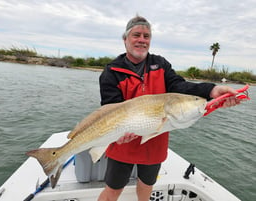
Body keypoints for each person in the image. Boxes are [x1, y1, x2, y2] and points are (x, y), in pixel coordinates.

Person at [98, 15, 241, 201]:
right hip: (122, 142)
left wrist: (212, 90)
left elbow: (180, 87)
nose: (142, 40)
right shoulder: (111, 72)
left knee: (147, 185)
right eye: (136, 35)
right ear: (125, 39)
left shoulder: (161, 65)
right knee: (113, 189)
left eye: (146, 36)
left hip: (155, 141)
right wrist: (119, 134)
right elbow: (110, 109)